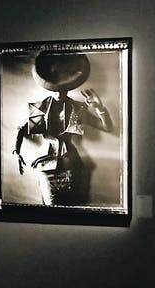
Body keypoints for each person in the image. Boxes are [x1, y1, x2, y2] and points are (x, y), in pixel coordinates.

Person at [12, 51, 112, 205]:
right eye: (56, 87)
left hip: (70, 162)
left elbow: (107, 128)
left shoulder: (78, 108)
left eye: (64, 87)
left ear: (70, 86)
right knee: (50, 205)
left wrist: (99, 107)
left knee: (71, 206)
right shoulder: (42, 107)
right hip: (45, 162)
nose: (60, 92)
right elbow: (22, 129)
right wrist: (16, 151)